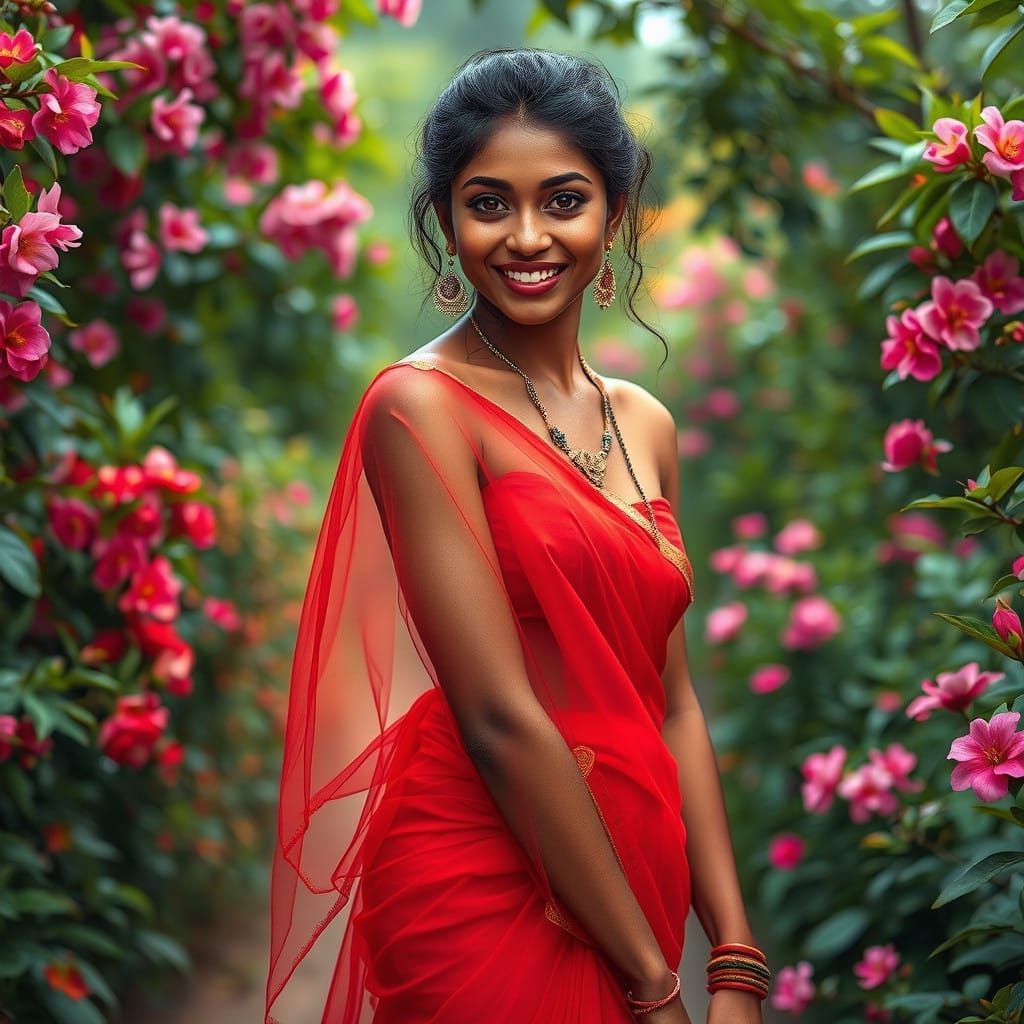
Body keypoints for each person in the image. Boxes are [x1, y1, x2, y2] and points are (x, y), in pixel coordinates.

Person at [265, 48, 768, 1024]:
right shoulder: (419, 410)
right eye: (488, 202)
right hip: (480, 874)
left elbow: (672, 707)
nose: (526, 235)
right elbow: (499, 719)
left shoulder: (644, 422)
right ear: (446, 220)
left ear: (614, 215)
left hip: (636, 868)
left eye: (563, 200)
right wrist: (654, 987)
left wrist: (735, 958)